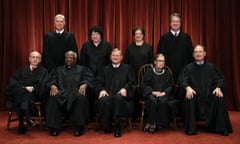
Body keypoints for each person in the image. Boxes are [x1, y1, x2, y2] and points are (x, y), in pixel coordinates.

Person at [178, 45, 232, 136]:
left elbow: (221, 79)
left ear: (204, 53)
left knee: (218, 97)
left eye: (200, 51)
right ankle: (191, 129)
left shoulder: (212, 67)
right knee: (189, 97)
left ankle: (221, 128)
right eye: (196, 52)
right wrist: (187, 88)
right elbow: (182, 80)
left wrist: (218, 87)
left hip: (209, 96)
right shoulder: (188, 68)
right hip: (195, 96)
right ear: (193, 54)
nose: (198, 54)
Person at [46, 50, 95, 137]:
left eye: (71, 58)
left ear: (75, 60)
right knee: (53, 97)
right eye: (67, 58)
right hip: (61, 93)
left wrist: (84, 84)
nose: (68, 59)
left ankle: (79, 127)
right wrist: (53, 85)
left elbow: (90, 79)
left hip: (75, 93)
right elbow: (50, 80)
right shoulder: (58, 70)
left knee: (81, 98)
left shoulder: (82, 69)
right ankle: (54, 127)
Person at [157, 12, 194, 118]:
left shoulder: (186, 37)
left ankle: (183, 115)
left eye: (177, 21)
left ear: (180, 23)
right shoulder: (164, 38)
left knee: (182, 91)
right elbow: (161, 54)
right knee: (169, 92)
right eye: (173, 21)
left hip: (183, 71)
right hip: (168, 70)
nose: (175, 23)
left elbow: (190, 55)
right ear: (170, 23)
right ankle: (168, 116)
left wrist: (188, 70)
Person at [5, 51, 49, 134]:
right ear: (29, 59)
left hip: (33, 94)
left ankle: (21, 123)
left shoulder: (43, 71)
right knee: (21, 91)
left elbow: (44, 85)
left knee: (21, 94)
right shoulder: (22, 70)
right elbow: (12, 80)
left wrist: (33, 88)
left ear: (40, 60)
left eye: (37, 57)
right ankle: (27, 117)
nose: (35, 59)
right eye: (33, 57)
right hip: (21, 91)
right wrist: (24, 88)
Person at [96, 48, 136, 137]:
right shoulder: (104, 69)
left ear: (121, 57)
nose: (115, 57)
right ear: (110, 57)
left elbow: (132, 83)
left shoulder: (127, 68)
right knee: (104, 100)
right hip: (108, 94)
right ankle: (107, 125)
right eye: (113, 55)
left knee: (117, 99)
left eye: (117, 55)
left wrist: (125, 88)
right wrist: (101, 90)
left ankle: (118, 126)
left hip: (121, 97)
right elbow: (98, 83)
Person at [79, 26, 112, 119]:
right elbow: (82, 62)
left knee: (102, 94)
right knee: (88, 95)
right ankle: (89, 116)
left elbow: (110, 61)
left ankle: (102, 116)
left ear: (101, 35)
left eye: (97, 34)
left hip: (103, 75)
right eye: (93, 34)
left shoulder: (107, 45)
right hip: (88, 74)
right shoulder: (85, 45)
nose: (95, 36)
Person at [125, 26, 153, 119]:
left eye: (140, 34)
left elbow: (151, 63)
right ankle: (133, 114)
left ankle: (145, 115)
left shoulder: (148, 47)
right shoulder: (129, 47)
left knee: (144, 93)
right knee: (133, 93)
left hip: (145, 75)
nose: (138, 35)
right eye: (136, 34)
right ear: (134, 36)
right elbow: (126, 62)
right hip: (132, 74)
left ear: (143, 35)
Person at [141, 54, 173, 133]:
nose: (161, 63)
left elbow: (170, 86)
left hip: (163, 94)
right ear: (155, 62)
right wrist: (153, 92)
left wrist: (163, 93)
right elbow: (144, 84)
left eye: (163, 61)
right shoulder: (149, 72)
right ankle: (152, 123)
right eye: (159, 61)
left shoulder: (167, 73)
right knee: (152, 101)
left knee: (162, 101)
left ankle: (157, 123)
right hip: (151, 93)